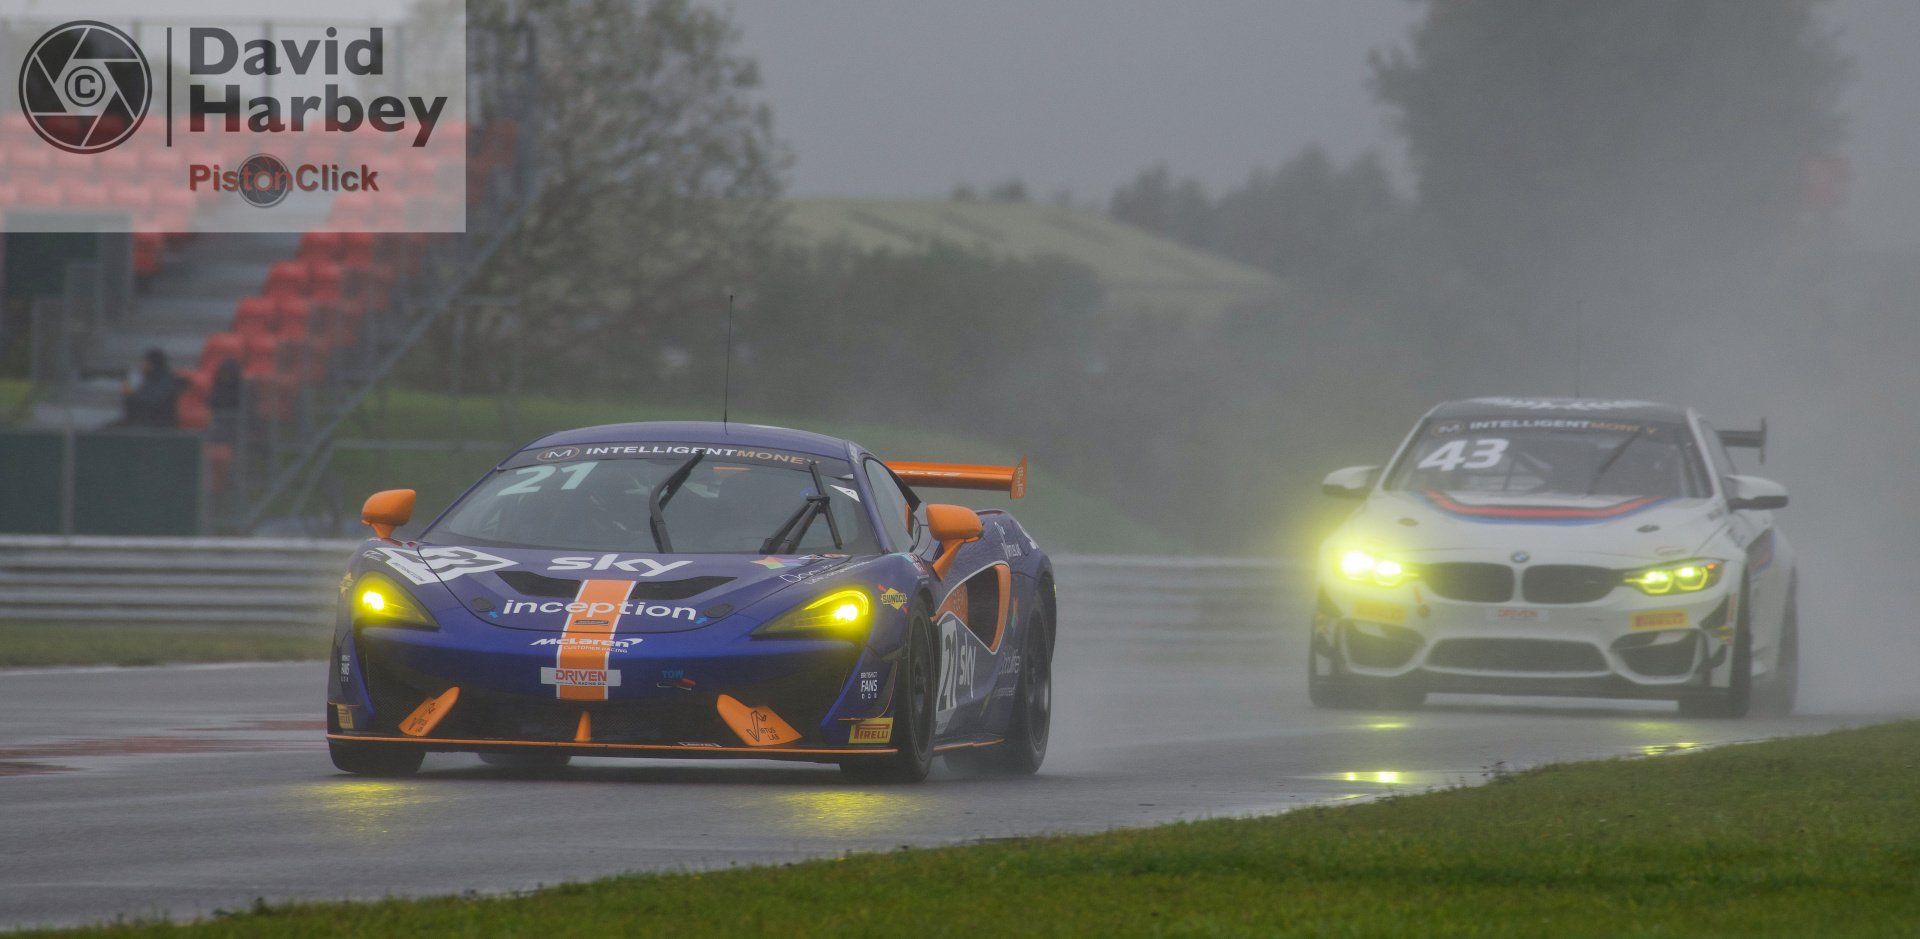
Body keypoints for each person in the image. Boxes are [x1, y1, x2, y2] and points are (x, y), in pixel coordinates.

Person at [118, 347, 184, 429]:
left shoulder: (166, 381)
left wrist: (132, 396)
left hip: (159, 426)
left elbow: (155, 402)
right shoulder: (148, 379)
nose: (141, 365)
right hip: (143, 423)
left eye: (144, 362)